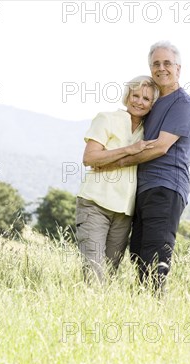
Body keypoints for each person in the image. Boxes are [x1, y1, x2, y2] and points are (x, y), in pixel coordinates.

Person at [105, 41, 190, 292]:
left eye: (167, 63)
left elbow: (160, 147)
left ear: (178, 68)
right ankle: (144, 308)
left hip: (166, 187)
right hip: (143, 188)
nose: (161, 68)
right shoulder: (153, 102)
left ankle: (156, 316)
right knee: (137, 253)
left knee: (155, 257)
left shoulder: (182, 103)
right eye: (156, 63)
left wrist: (116, 161)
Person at [76, 76, 159, 285]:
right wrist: (128, 149)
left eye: (146, 99)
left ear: (152, 105)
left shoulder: (148, 131)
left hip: (124, 212)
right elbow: (89, 158)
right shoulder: (107, 118)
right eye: (136, 95)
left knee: (110, 273)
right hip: (95, 204)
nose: (139, 102)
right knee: (93, 272)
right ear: (127, 96)